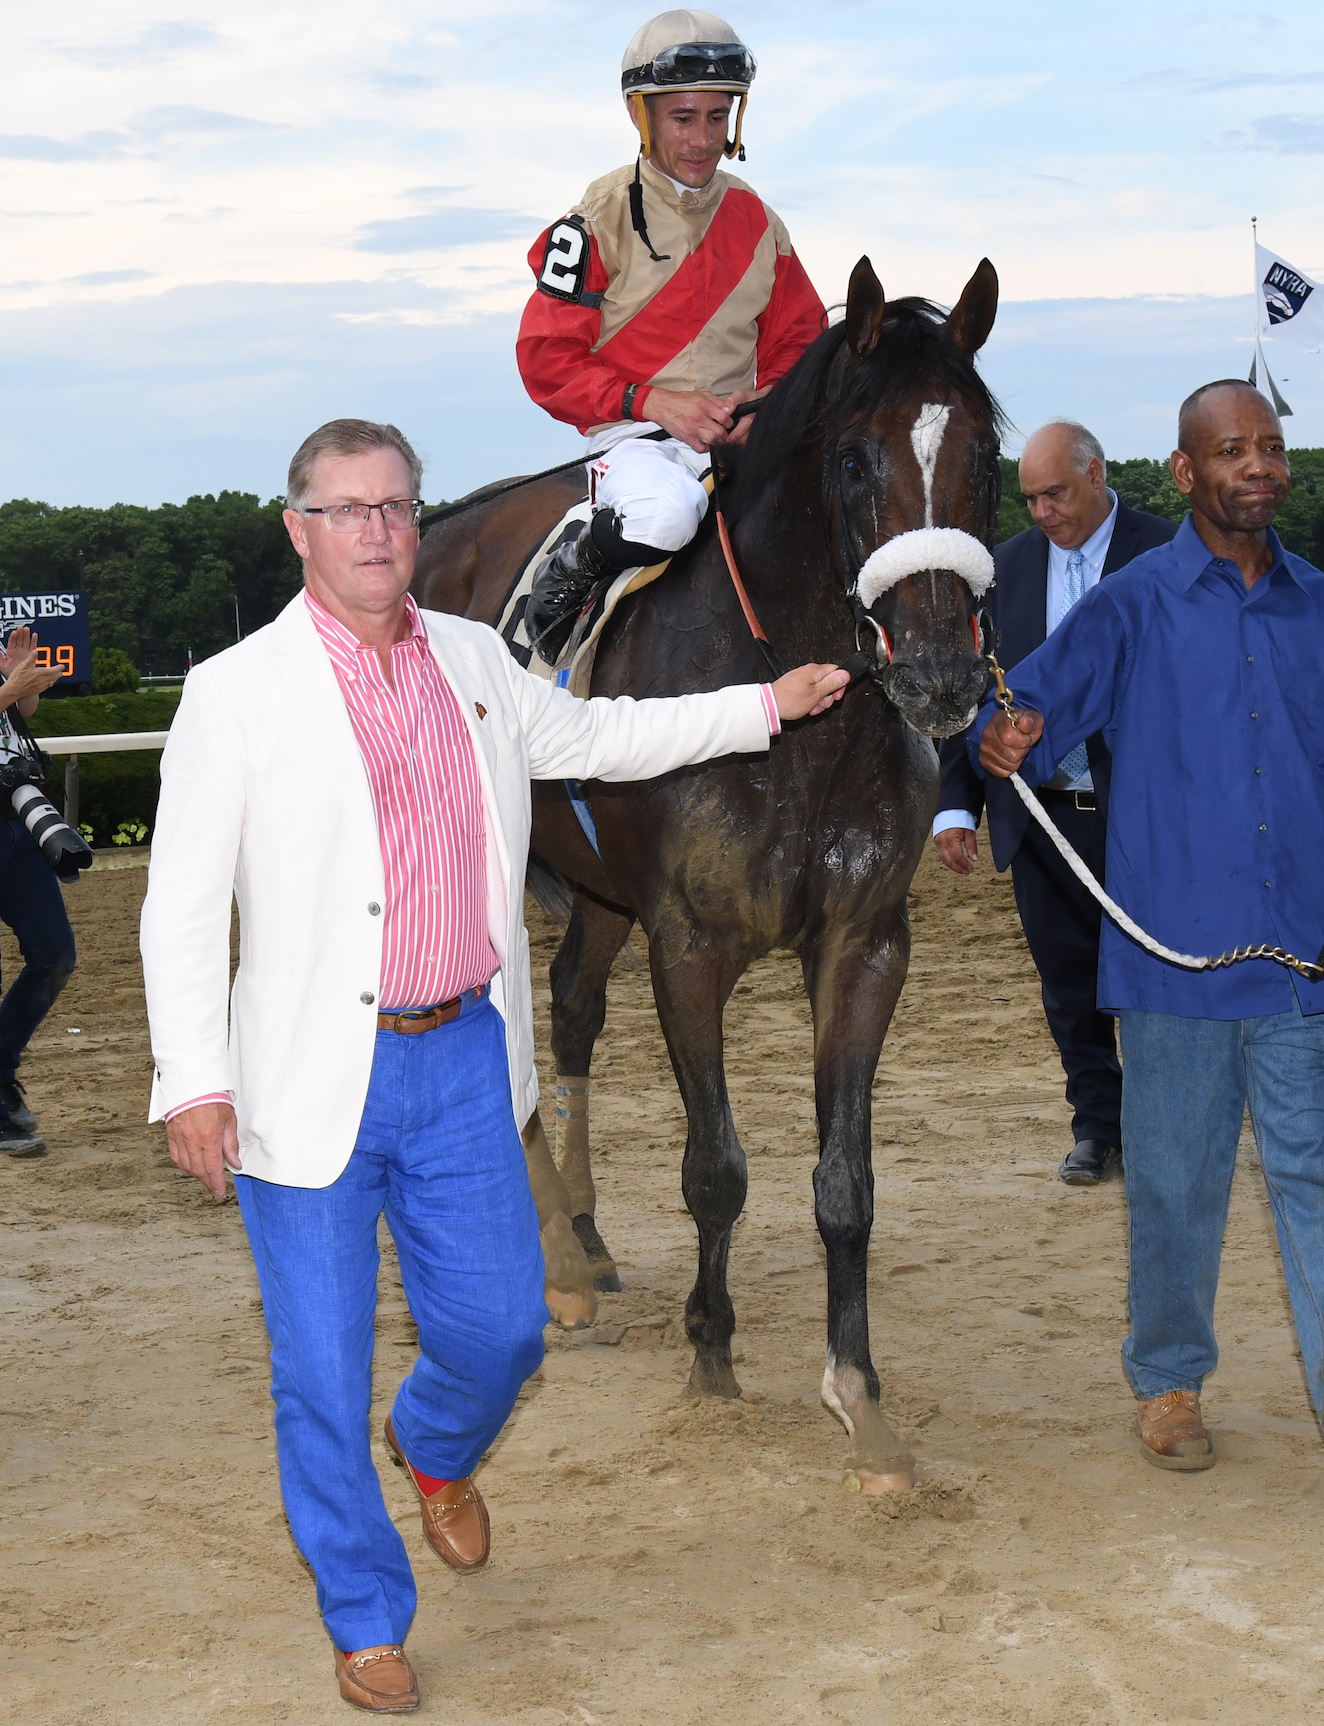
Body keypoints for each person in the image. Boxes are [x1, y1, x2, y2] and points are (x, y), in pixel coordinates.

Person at [139, 417, 849, 1714]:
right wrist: (194, 1077)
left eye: (396, 506)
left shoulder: (474, 658)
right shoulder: (234, 690)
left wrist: (762, 703)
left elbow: (596, 738)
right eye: (346, 508)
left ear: (419, 522)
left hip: (466, 1056)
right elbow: (179, 905)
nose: (376, 530)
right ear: (299, 528)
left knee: (502, 1332)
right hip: (306, 1076)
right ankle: (365, 1611)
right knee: (318, 1365)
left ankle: (435, 1444)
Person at [973, 380, 1324, 1473]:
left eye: (1269, 448)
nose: (1256, 467)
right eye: (1230, 450)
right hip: (1172, 967)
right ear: (1184, 473)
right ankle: (1168, 1382)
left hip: (1303, 965)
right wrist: (1004, 732)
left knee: (1316, 1182)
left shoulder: (1317, 602)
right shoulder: (1129, 606)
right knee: (1173, 1186)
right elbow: (1016, 706)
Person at [516, 8, 826, 662]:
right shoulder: (595, 217)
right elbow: (547, 361)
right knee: (667, 515)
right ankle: (573, 568)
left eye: (718, 117)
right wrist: (655, 402)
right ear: (641, 115)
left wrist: (764, 406)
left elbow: (800, 343)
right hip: (636, 440)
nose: (703, 138)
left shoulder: (759, 221)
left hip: (743, 438)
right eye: (683, 118)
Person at [934, 421, 1177, 1185]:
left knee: (1154, 983)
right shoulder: (1000, 572)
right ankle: (1097, 1128)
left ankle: (1164, 1130)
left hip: (1153, 823)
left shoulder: (1172, 554)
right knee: (1068, 985)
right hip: (1040, 817)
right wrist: (953, 803)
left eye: (1056, 494)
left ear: (1098, 474)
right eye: (1031, 497)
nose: (1041, 511)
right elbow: (971, 695)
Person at [0, 626, 75, 1157]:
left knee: (54, 955)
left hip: (12, 817)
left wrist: (21, 687)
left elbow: (18, 719)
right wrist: (9, 685)